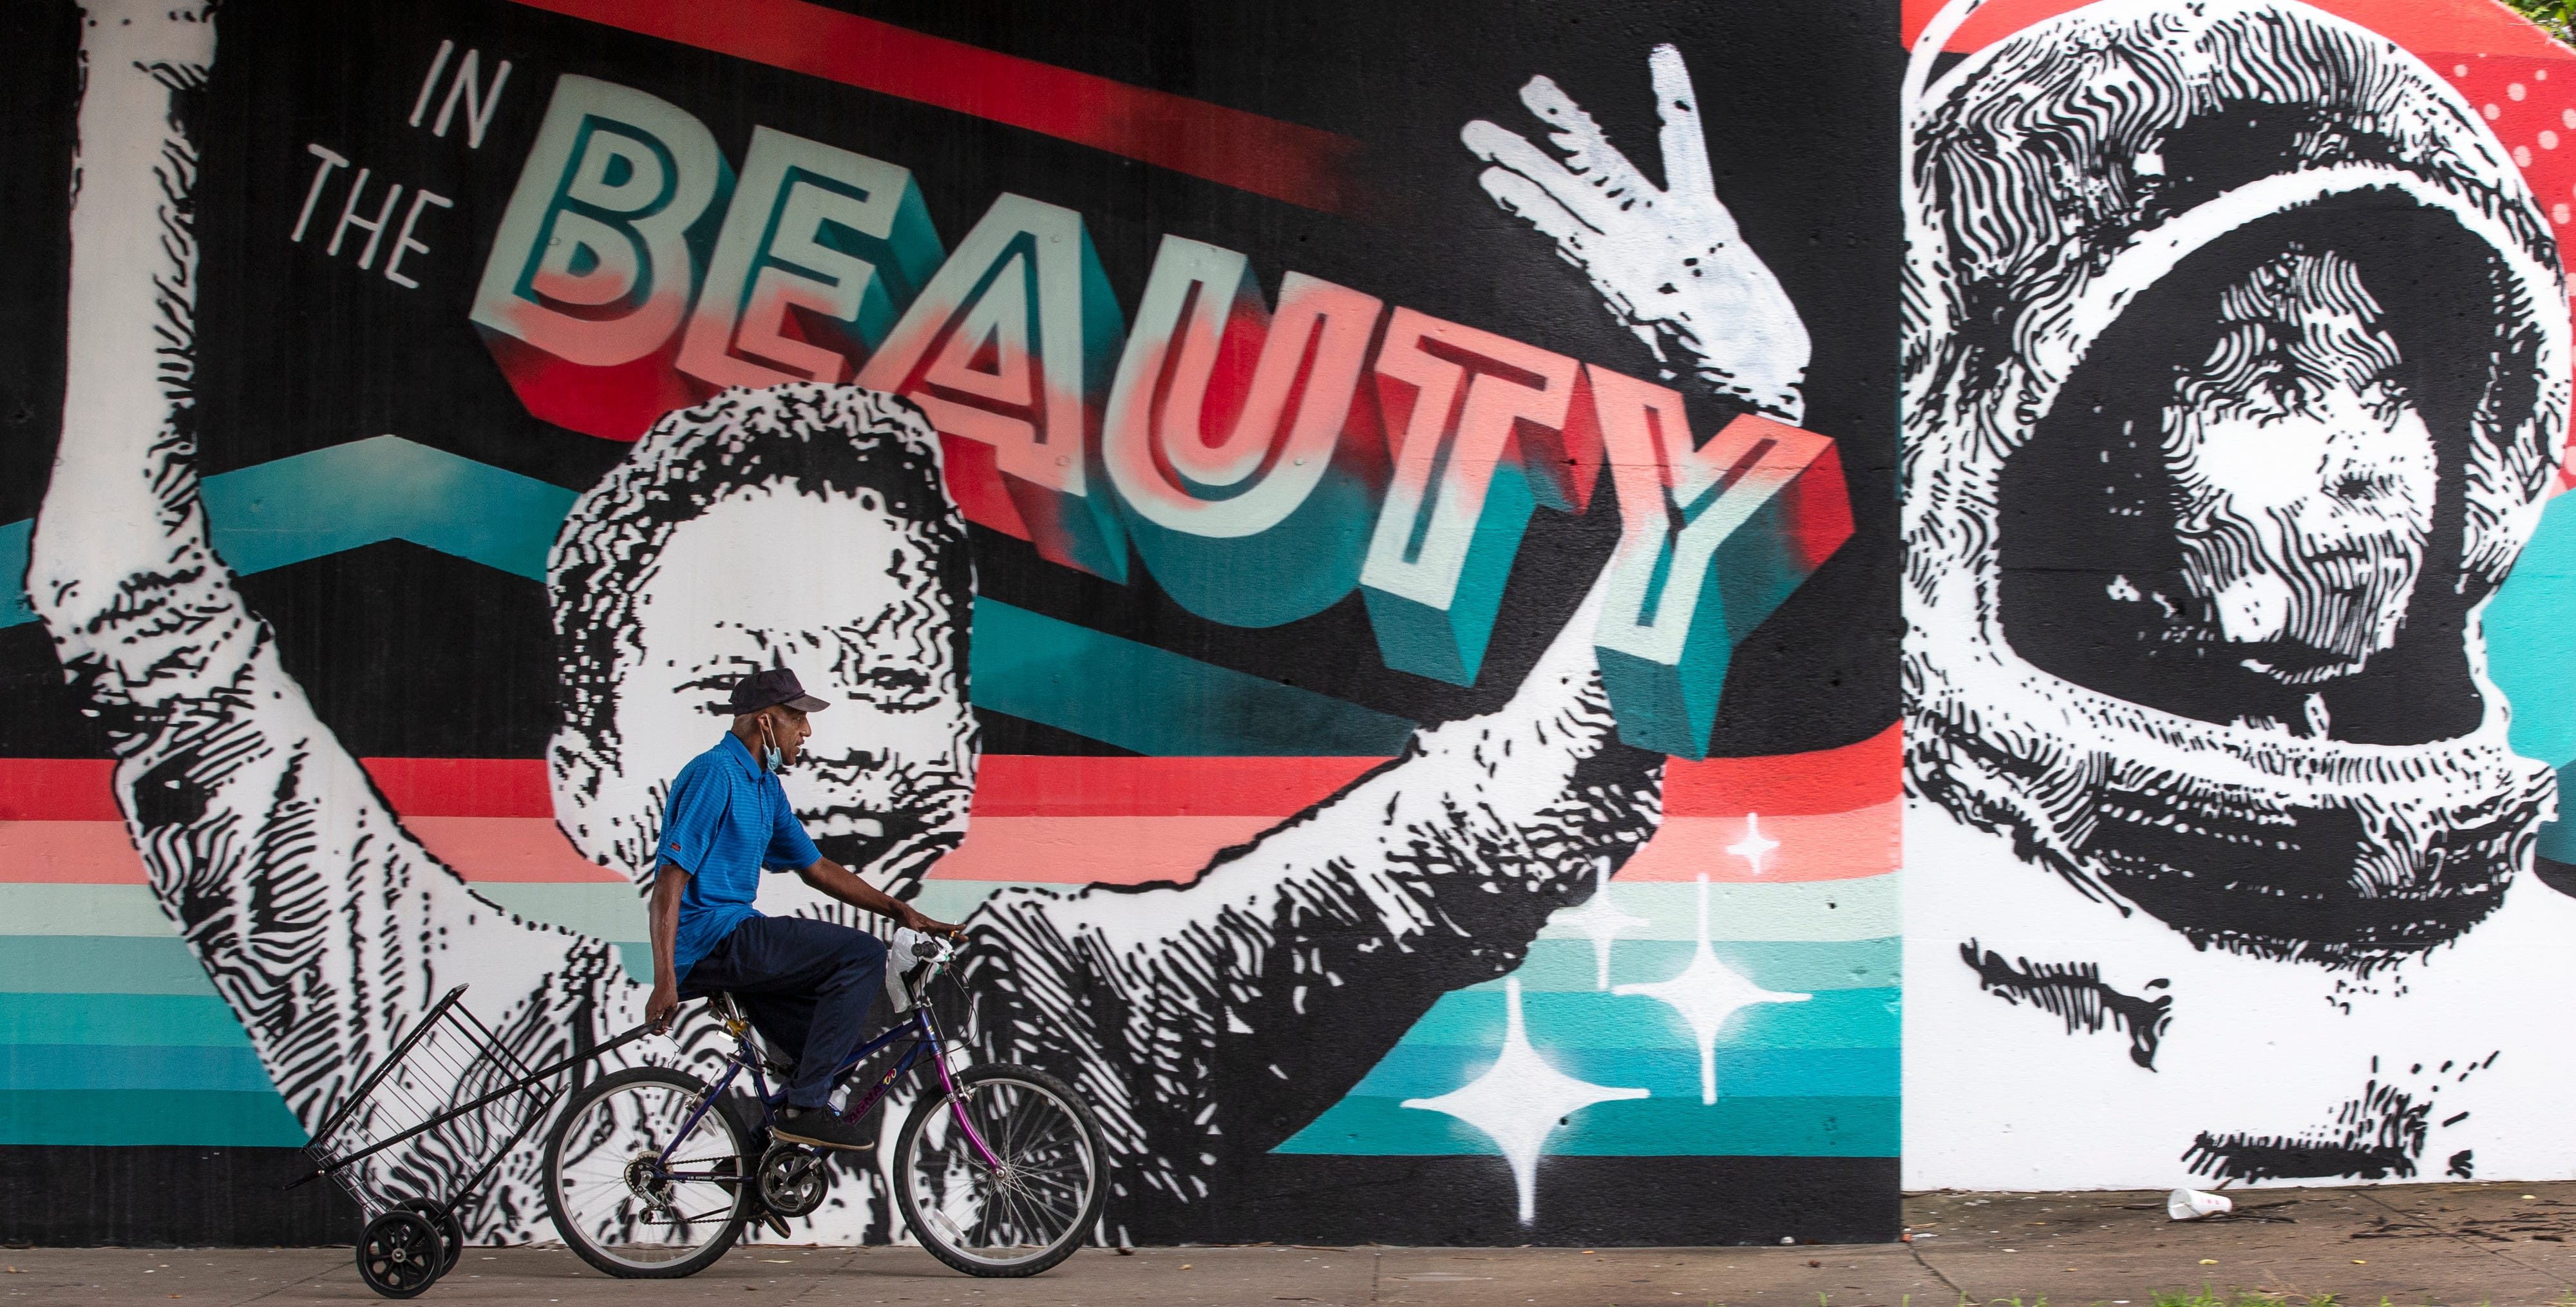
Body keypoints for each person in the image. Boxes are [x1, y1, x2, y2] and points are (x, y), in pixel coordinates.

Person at [642, 667, 960, 1150]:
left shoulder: (764, 787)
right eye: (798, 718)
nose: (806, 732)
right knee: (859, 953)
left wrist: (900, 910)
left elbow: (817, 868)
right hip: (712, 939)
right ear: (766, 723)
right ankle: (805, 1107)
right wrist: (665, 976)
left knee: (837, 1049)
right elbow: (668, 883)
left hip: (735, 941)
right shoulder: (715, 774)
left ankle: (753, 1165)